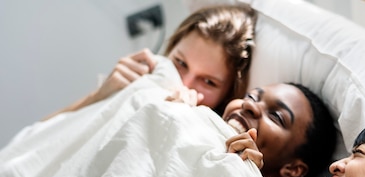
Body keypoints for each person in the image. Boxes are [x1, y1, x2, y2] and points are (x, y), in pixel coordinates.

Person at [44, 4, 257, 120]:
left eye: (209, 82)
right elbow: (36, 138)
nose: (184, 84)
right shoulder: (135, 81)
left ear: (228, 93)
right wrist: (99, 96)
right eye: (180, 63)